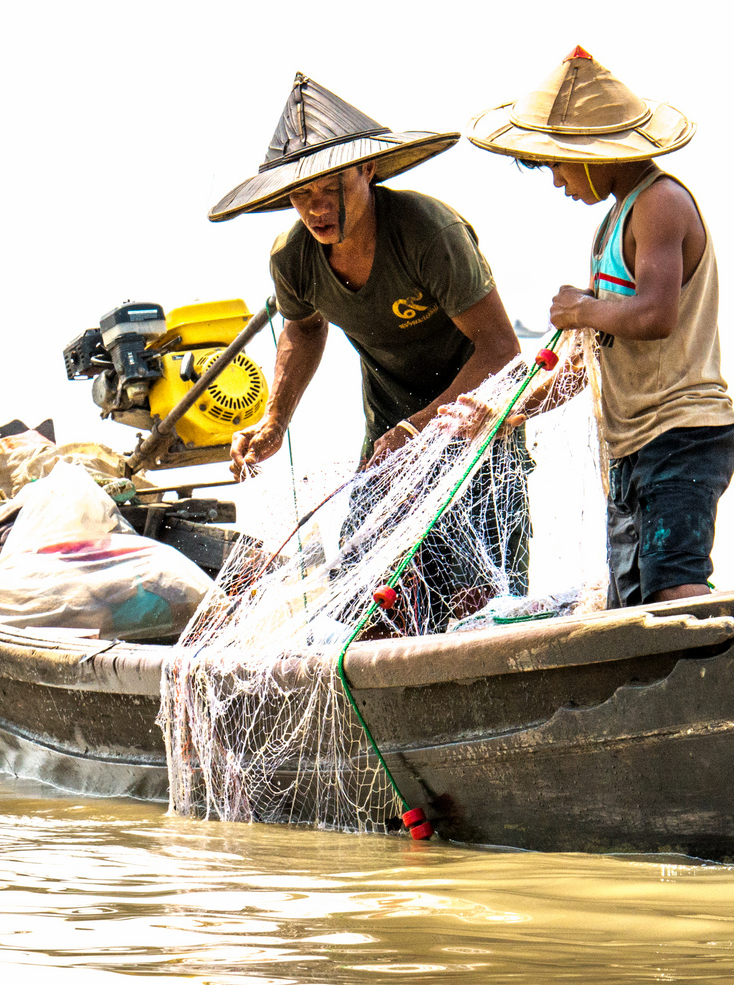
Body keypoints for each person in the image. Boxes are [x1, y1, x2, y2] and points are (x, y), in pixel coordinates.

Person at [216, 73, 526, 631]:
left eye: (327, 187)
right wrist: (274, 419)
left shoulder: (427, 233)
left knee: (480, 610)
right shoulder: (294, 258)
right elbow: (304, 329)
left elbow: (501, 351)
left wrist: (419, 429)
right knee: (373, 607)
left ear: (367, 168)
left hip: (478, 436)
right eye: (299, 194)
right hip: (386, 445)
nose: (314, 209)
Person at [463, 47, 734, 608]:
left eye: (559, 165)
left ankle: (714, 683)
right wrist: (511, 411)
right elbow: (592, 362)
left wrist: (582, 309)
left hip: (681, 433)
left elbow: (655, 317)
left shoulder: (660, 203)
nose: (558, 181)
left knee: (672, 586)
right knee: (629, 601)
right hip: (629, 446)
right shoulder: (614, 222)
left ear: (591, 152)